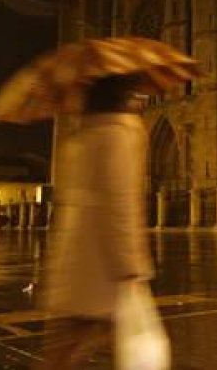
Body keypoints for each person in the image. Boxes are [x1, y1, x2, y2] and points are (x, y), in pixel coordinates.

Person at [39, 73, 157, 369]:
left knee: (68, 344)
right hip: (105, 264)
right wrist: (130, 266)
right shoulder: (119, 133)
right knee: (131, 349)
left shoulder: (80, 135)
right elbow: (119, 202)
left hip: (77, 258)